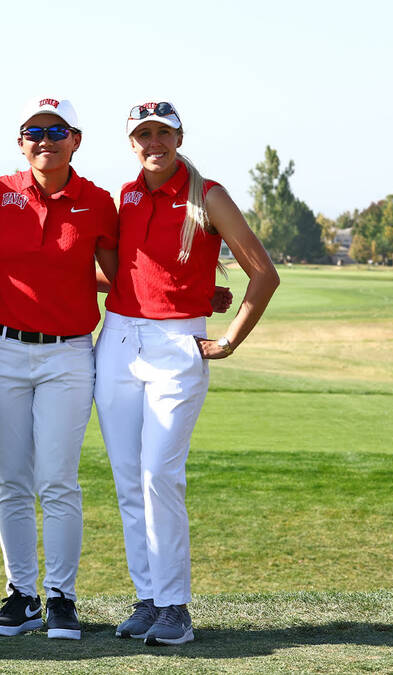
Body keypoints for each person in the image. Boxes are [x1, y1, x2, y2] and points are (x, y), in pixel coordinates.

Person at [98, 101, 279, 646]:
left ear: (179, 137)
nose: (153, 142)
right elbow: (129, 275)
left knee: (159, 474)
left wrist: (227, 339)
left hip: (178, 346)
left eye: (162, 133)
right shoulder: (124, 196)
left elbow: (263, 274)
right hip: (118, 342)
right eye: (142, 134)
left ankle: (175, 605)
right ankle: (148, 598)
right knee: (130, 480)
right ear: (131, 143)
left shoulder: (210, 195)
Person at [0, 98, 119, 641]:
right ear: (20, 142)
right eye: (33, 131)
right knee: (11, 480)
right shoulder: (0, 193)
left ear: (75, 140)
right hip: (4, 351)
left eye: (56, 130)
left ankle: (61, 597)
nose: (45, 139)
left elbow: (118, 277)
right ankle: (21, 594)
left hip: (68, 355)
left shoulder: (98, 201)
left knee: (57, 481)